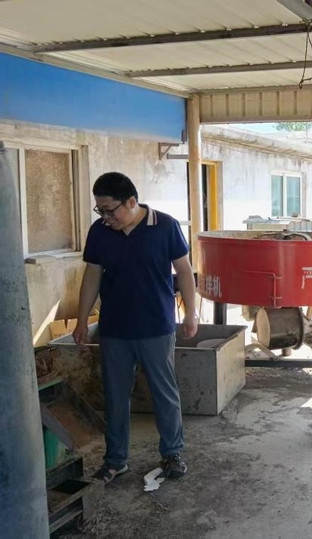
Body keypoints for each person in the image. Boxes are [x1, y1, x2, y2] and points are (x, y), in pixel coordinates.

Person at [73, 172, 197, 484]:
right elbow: (92, 276)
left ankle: (172, 453)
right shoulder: (100, 232)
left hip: (156, 326)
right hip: (114, 328)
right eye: (100, 210)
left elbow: (184, 271)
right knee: (115, 396)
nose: (105, 217)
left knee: (164, 393)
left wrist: (191, 314)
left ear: (131, 202)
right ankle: (115, 460)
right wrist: (81, 320)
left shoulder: (165, 226)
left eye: (109, 210)